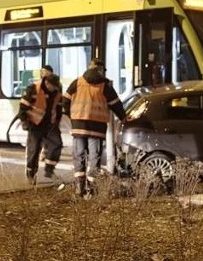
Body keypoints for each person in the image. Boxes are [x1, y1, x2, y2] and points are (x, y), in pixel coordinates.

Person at [62, 58, 126, 198]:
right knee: (94, 157)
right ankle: (90, 188)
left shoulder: (77, 82)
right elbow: (116, 104)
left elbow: (64, 101)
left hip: (78, 125)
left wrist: (72, 116)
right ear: (101, 70)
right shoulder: (105, 85)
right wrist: (124, 118)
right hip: (96, 126)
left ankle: (79, 187)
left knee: (78, 155)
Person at [18, 70, 63, 184]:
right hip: (35, 124)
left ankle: (49, 170)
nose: (54, 89)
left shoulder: (57, 90)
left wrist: (57, 121)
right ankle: (31, 173)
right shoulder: (33, 89)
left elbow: (58, 108)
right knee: (34, 150)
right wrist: (24, 122)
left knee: (56, 144)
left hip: (50, 124)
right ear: (47, 83)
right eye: (53, 86)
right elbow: (23, 106)